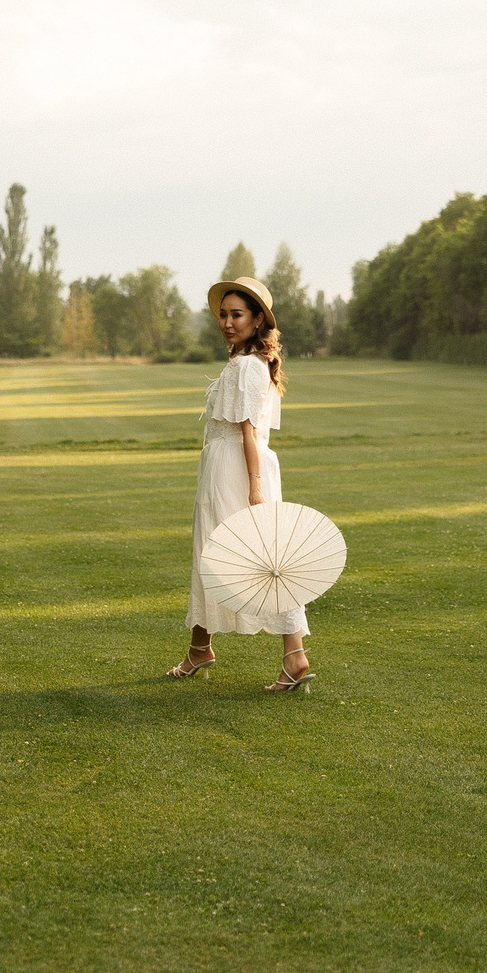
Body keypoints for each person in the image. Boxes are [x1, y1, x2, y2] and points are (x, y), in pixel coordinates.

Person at [167, 276, 313, 692]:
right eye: (224, 315)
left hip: (236, 469)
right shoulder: (247, 362)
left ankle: (294, 654)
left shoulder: (248, 366)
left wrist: (253, 487)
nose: (228, 323)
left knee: (257, 558)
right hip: (226, 465)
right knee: (217, 554)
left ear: (257, 319)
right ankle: (201, 647)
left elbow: (249, 431)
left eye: (237, 315)